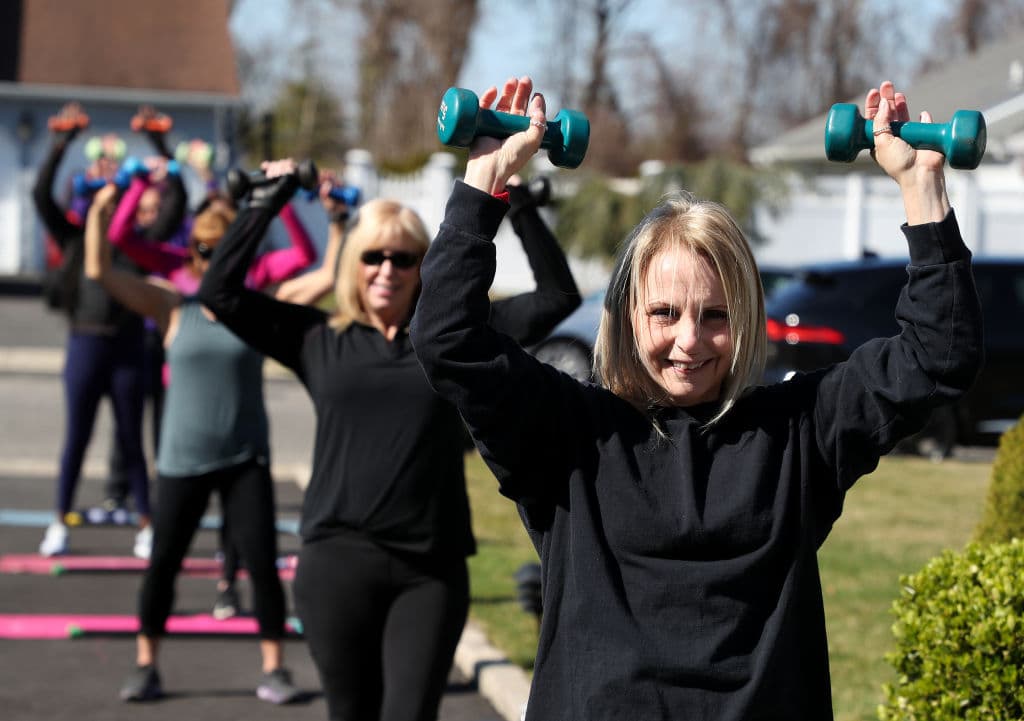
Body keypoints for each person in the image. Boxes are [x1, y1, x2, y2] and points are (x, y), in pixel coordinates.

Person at [408, 77, 985, 721]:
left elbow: (938, 355)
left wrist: (922, 187)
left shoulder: (797, 433)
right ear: (628, 317)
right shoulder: (570, 434)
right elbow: (448, 337)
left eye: (715, 314)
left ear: (746, 316)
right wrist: (486, 176)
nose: (690, 341)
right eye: (665, 313)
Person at [197, 157, 580, 721]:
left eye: (403, 258)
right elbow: (220, 292)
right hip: (336, 563)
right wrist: (268, 198)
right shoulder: (319, 339)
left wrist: (516, 204)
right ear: (354, 264)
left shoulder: (458, 341)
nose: (386, 270)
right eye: (373, 256)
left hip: (428, 570)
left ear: (423, 268)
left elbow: (556, 296)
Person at [81, 182, 301, 706]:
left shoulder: (255, 308)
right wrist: (98, 214)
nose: (210, 257)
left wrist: (320, 214)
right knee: (163, 564)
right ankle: (145, 662)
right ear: (192, 252)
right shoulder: (170, 304)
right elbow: (100, 271)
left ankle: (275, 668)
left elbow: (323, 272)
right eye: (202, 248)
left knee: (262, 563)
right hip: (182, 462)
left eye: (222, 248)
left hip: (246, 458)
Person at [32, 101, 152, 559]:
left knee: (131, 440)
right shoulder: (72, 236)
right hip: (85, 342)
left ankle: (146, 525)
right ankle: (59, 522)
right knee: (75, 440)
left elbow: (174, 204)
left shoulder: (131, 242)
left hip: (126, 347)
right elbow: (42, 194)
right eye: (98, 174)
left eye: (112, 176)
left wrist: (152, 159)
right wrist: (62, 143)